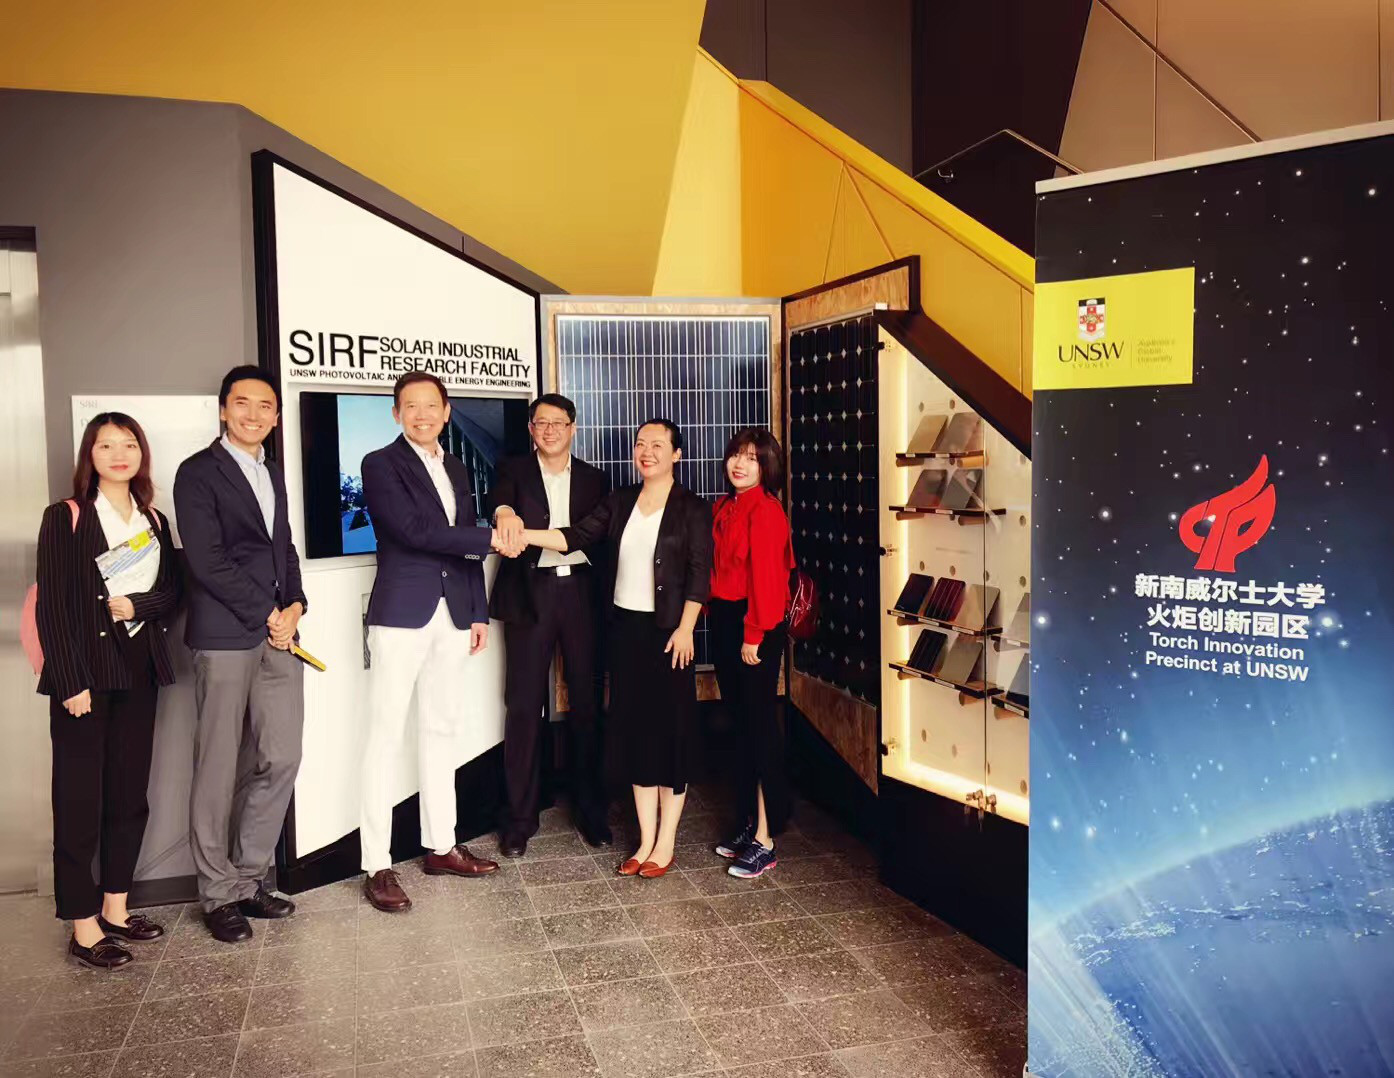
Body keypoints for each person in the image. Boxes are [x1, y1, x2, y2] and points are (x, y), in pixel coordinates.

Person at [522, 419, 711, 878]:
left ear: (677, 454)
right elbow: (574, 537)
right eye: (641, 444)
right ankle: (645, 840)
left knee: (670, 735)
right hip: (625, 631)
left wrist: (687, 628)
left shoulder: (692, 507)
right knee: (634, 734)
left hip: (670, 635)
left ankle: (666, 842)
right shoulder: (620, 501)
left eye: (658, 445)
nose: (647, 452)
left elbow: (699, 573)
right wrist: (522, 534)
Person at [358, 371, 512, 913]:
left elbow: (460, 547)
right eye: (411, 406)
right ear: (396, 413)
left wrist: (477, 611)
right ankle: (376, 863)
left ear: (446, 412)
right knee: (384, 736)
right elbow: (415, 532)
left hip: (453, 614)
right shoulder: (380, 464)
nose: (422, 415)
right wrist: (494, 538)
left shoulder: (454, 466)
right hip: (402, 614)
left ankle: (441, 846)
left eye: (431, 406)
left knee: (442, 728)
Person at [36, 413, 179, 969]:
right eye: (105, 445)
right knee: (78, 802)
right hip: (85, 679)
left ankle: (116, 908)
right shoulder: (67, 516)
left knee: (128, 795)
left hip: (140, 672)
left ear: (141, 453)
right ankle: (82, 923)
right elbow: (53, 607)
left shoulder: (154, 519)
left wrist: (137, 604)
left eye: (129, 444)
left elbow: (173, 592)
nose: (119, 454)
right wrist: (69, 682)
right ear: (89, 455)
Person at [175, 366, 307, 944]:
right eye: (243, 403)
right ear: (224, 409)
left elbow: (284, 547)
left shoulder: (270, 470)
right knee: (218, 766)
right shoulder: (197, 472)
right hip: (226, 635)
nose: (254, 414)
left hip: (279, 635)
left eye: (265, 406)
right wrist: (268, 612)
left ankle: (249, 879)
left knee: (280, 756)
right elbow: (206, 560)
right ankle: (217, 893)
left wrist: (296, 604)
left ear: (275, 417)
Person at [490, 394, 612, 856]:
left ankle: (591, 809)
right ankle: (520, 819)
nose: (549, 430)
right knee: (523, 705)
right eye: (541, 423)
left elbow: (594, 537)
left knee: (587, 702)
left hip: (582, 593)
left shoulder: (596, 479)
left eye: (558, 423)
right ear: (531, 429)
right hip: (530, 591)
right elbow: (500, 504)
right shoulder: (512, 470)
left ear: (573, 428)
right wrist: (504, 513)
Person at [708, 428, 797, 879]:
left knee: (760, 728)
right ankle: (749, 823)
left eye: (752, 458)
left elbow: (768, 581)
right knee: (741, 725)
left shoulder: (766, 511)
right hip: (727, 621)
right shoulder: (725, 506)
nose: (740, 464)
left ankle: (766, 838)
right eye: (736, 456)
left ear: (767, 468)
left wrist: (754, 634)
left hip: (756, 624)